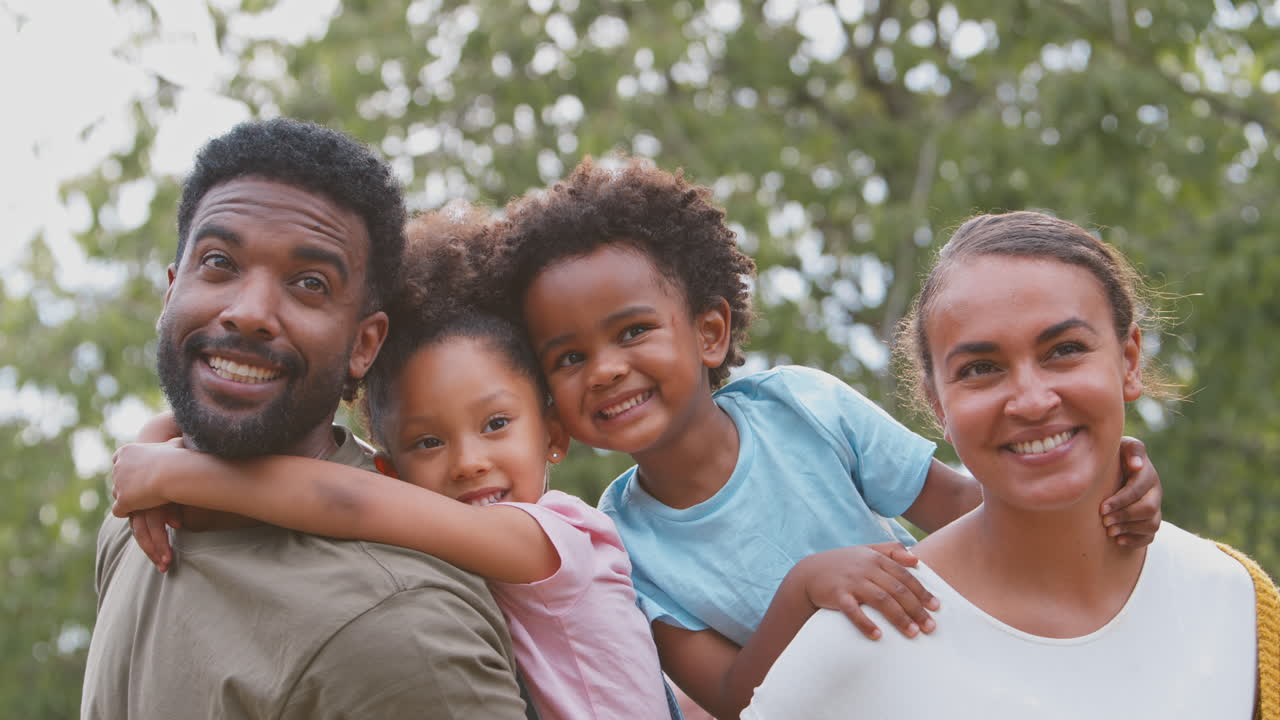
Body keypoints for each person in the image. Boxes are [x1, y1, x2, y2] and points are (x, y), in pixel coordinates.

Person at [481, 158, 1168, 719]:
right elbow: (729, 697)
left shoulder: (801, 407)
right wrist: (804, 588)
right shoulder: (621, 543)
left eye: (633, 332)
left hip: (972, 675)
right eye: (568, 358)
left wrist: (1105, 479)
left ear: (710, 332)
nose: (604, 369)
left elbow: (969, 508)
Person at [110, 210, 674, 720]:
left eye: (496, 425)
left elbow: (344, 501)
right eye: (428, 442)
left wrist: (172, 473)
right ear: (390, 468)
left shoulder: (559, 538)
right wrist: (159, 437)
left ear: (553, 434)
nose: (468, 463)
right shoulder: (457, 561)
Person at [743, 211, 1279, 719]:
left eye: (1064, 350)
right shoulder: (860, 639)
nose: (1030, 399)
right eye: (981, 368)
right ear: (939, 408)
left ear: (1130, 360)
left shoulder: (1232, 600)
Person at [81, 119, 532, 719]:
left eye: (309, 283)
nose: (248, 313)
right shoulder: (139, 516)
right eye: (219, 263)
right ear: (170, 293)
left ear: (363, 345)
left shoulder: (399, 629)